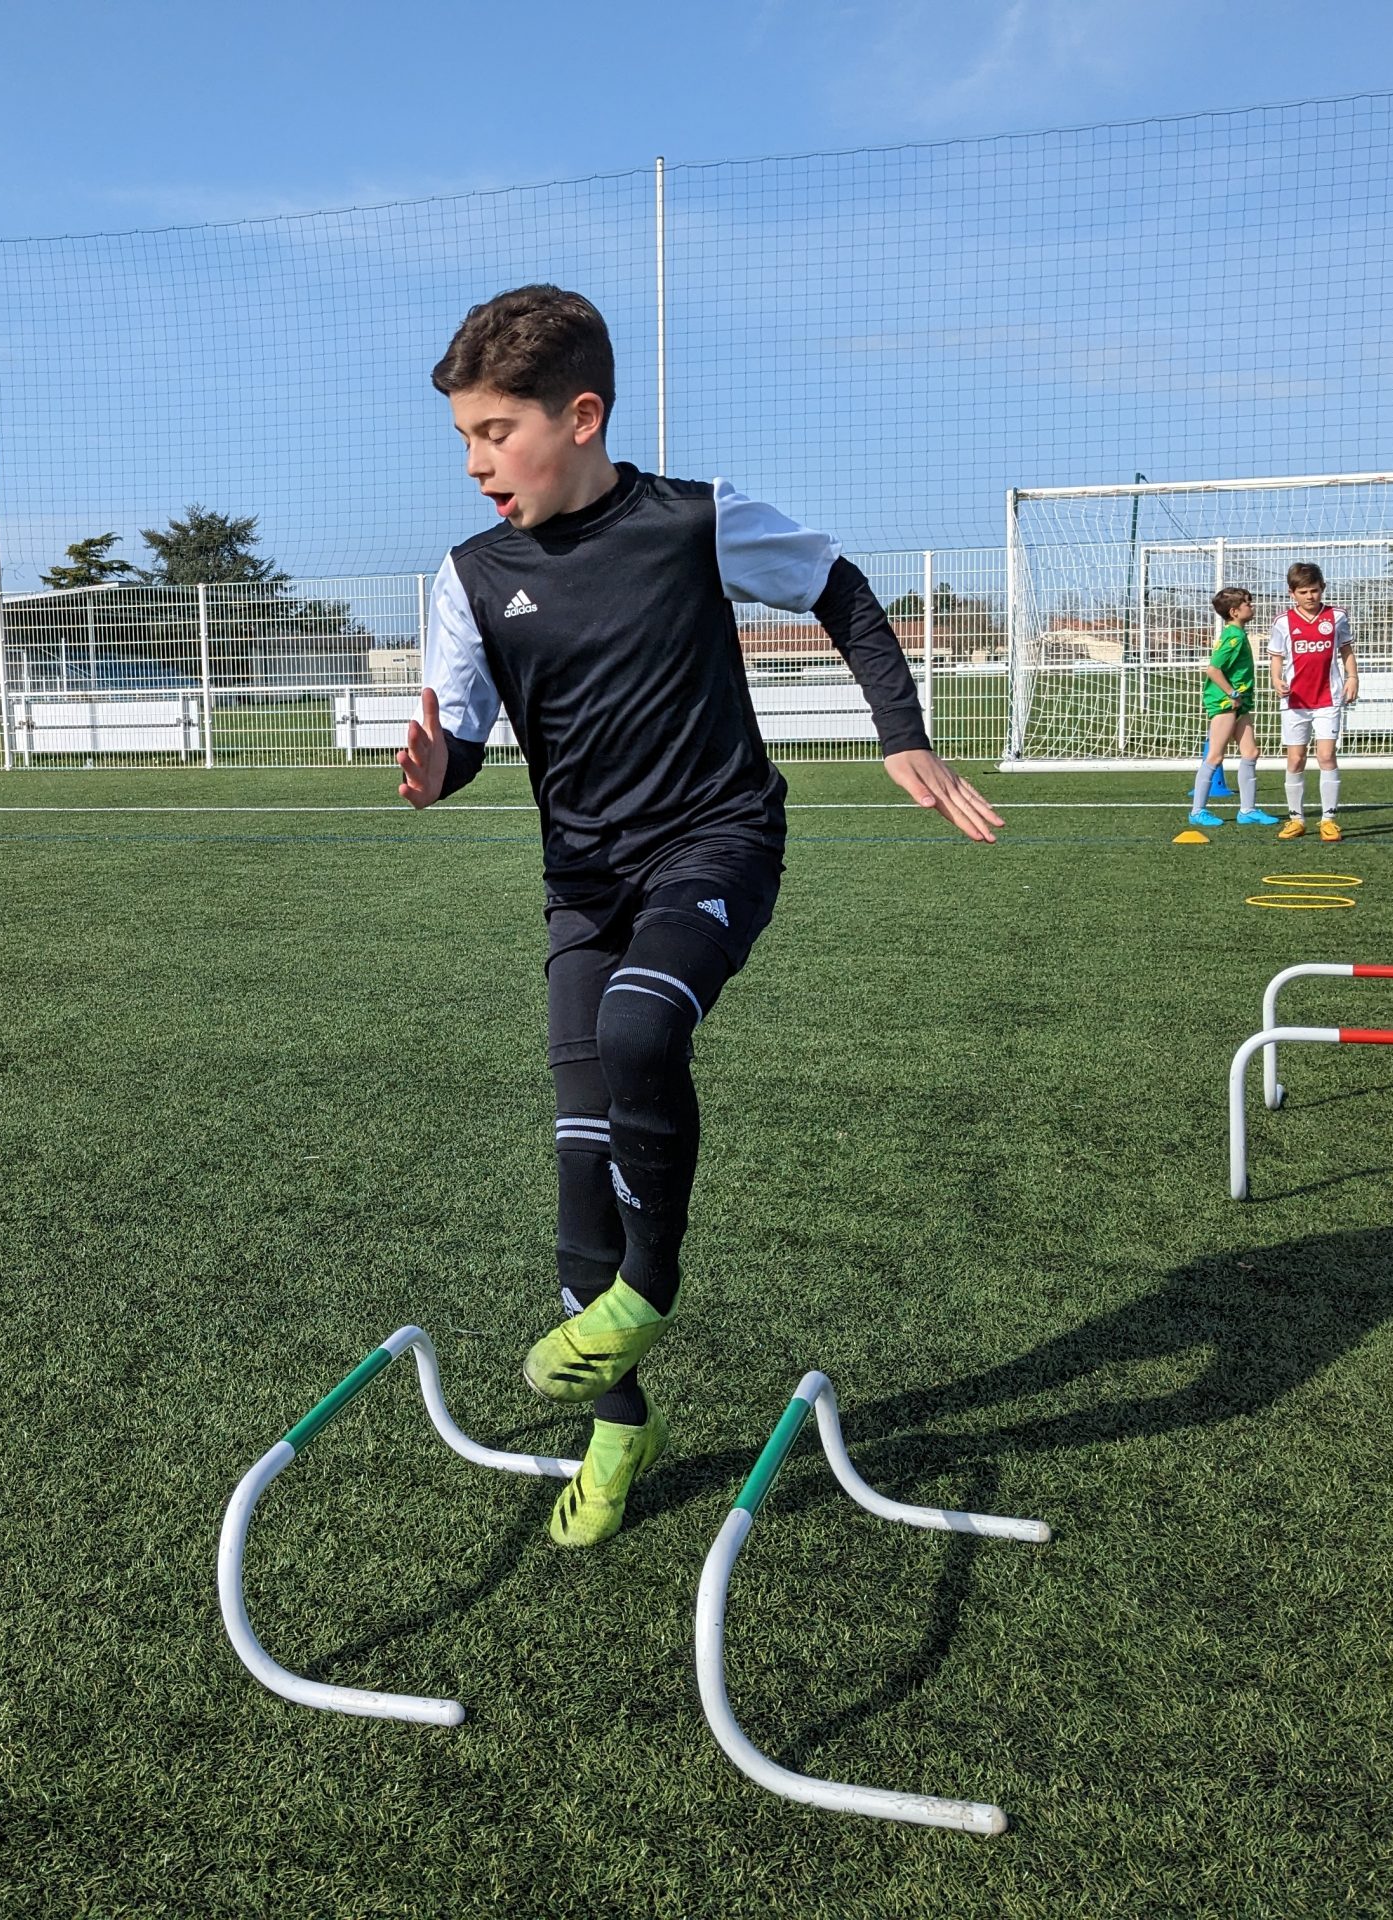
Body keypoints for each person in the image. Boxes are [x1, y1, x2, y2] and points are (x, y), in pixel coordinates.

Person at [394, 285, 1002, 1548]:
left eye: (493, 433)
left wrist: (903, 735)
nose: (473, 464)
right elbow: (460, 735)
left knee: (640, 1031)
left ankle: (651, 1290)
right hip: (587, 886)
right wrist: (432, 770)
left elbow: (837, 586)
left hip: (717, 841)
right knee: (575, 1197)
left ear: (581, 415)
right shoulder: (468, 578)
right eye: (461, 438)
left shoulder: (692, 521)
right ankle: (621, 1425)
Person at [1266, 561, 1357, 843]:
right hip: (1295, 700)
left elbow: (1346, 650)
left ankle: (1329, 819)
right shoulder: (1282, 622)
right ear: (1292, 593)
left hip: (1327, 698)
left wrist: (1352, 677)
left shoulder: (1337, 617)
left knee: (1326, 756)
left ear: (1323, 589)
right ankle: (1296, 819)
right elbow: (1276, 657)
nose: (1310, 597)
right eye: (1303, 592)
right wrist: (1276, 679)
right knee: (1295, 759)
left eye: (1314, 591)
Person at [1188, 587, 1270, 828]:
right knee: (1215, 755)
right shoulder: (1232, 637)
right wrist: (1231, 693)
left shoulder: (1238, 634)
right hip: (1226, 703)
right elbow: (1213, 669)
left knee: (1251, 752)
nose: (1252, 607)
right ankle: (1197, 811)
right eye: (1248, 603)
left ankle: (1248, 810)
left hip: (1240, 702)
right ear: (1235, 611)